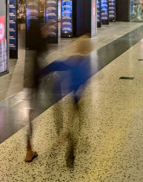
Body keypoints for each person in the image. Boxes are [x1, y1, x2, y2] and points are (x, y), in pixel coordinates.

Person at [43, 36, 92, 168]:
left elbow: (55, 65)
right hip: (77, 98)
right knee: (75, 122)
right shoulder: (86, 62)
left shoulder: (71, 61)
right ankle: (71, 148)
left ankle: (63, 134)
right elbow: (86, 78)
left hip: (64, 94)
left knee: (64, 118)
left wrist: (41, 72)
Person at [23, 17, 48, 163]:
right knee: (32, 115)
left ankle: (29, 148)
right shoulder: (40, 44)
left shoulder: (29, 41)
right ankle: (29, 150)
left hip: (28, 79)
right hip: (36, 80)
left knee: (31, 112)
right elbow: (44, 52)